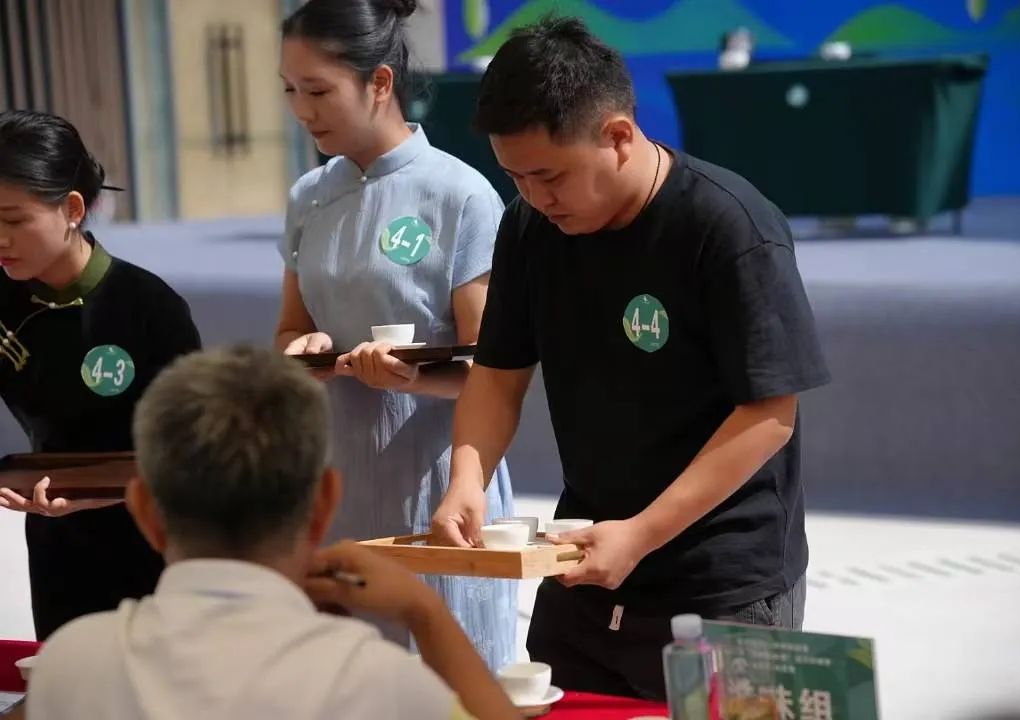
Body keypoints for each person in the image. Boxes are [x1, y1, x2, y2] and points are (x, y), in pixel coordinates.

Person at [431, 17, 831, 700]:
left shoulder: (727, 226)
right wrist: (467, 475)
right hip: (583, 560)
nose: (533, 196)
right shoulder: (530, 227)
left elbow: (770, 414)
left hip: (722, 583)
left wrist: (642, 534)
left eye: (549, 175)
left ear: (617, 135)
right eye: (515, 176)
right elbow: (497, 375)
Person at [25, 346, 518, 720]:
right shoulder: (374, 682)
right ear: (325, 501)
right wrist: (425, 612)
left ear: (144, 511)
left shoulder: (69, 666)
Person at [275, 0, 515, 669]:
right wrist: (307, 351)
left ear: (380, 83)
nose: (302, 109)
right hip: (338, 476)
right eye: (291, 90)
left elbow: (494, 367)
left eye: (318, 90)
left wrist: (414, 374)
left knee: (445, 676)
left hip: (435, 481)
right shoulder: (308, 197)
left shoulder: (459, 195)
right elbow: (289, 331)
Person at [0, 109, 201, 640]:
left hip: (154, 545)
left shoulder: (149, 307)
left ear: (71, 209)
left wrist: (94, 493)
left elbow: (191, 455)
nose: (0, 238)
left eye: (14, 220)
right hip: (54, 548)